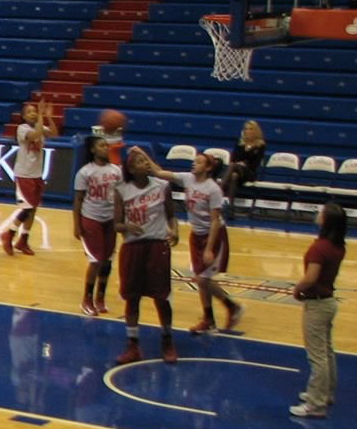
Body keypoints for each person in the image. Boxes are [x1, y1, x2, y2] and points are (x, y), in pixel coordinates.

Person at [147, 151, 244, 334]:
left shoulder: (213, 189)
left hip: (213, 235)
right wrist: (144, 156)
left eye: (198, 162)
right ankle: (209, 320)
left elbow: (215, 221)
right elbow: (159, 173)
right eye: (194, 161)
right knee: (201, 280)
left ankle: (232, 307)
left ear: (208, 168)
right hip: (196, 234)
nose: (194, 164)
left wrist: (209, 249)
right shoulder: (187, 178)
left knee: (202, 279)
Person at [113, 148, 179, 365]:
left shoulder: (162, 186)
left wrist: (175, 231)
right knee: (132, 298)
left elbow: (172, 217)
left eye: (146, 160)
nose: (146, 163)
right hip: (133, 248)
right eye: (140, 161)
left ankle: (167, 340)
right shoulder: (122, 190)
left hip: (157, 246)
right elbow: (116, 225)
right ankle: (133, 345)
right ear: (131, 169)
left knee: (162, 297)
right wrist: (127, 226)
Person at [289, 203, 344, 418]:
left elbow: (311, 277)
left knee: (317, 357)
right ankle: (325, 393)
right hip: (329, 301)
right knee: (327, 353)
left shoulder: (319, 248)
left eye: (321, 213)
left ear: (327, 221)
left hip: (317, 304)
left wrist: (297, 289)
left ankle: (316, 404)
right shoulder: (338, 246)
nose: (317, 215)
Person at [71, 136, 122, 315]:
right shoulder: (85, 172)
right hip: (91, 218)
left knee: (107, 261)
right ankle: (87, 299)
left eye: (107, 146)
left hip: (110, 220)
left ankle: (100, 297)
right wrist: (76, 225)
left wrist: (120, 220)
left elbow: (120, 197)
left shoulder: (116, 171)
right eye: (101, 146)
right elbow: (77, 200)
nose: (106, 148)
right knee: (96, 261)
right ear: (93, 149)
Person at [0, 100, 57, 256]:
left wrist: (49, 117)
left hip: (36, 174)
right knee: (28, 208)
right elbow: (36, 135)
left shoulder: (39, 125)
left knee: (33, 210)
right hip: (23, 174)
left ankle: (23, 241)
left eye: (34, 111)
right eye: (29, 112)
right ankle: (9, 233)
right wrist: (40, 115)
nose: (33, 113)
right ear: (24, 117)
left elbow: (54, 133)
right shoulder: (22, 128)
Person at [225, 120, 267, 208]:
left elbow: (255, 164)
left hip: (250, 173)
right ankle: (231, 207)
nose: (248, 131)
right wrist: (241, 162)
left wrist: (244, 164)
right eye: (246, 129)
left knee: (233, 166)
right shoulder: (239, 143)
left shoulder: (260, 146)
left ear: (256, 131)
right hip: (238, 170)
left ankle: (220, 188)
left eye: (251, 129)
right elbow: (234, 158)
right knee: (234, 176)